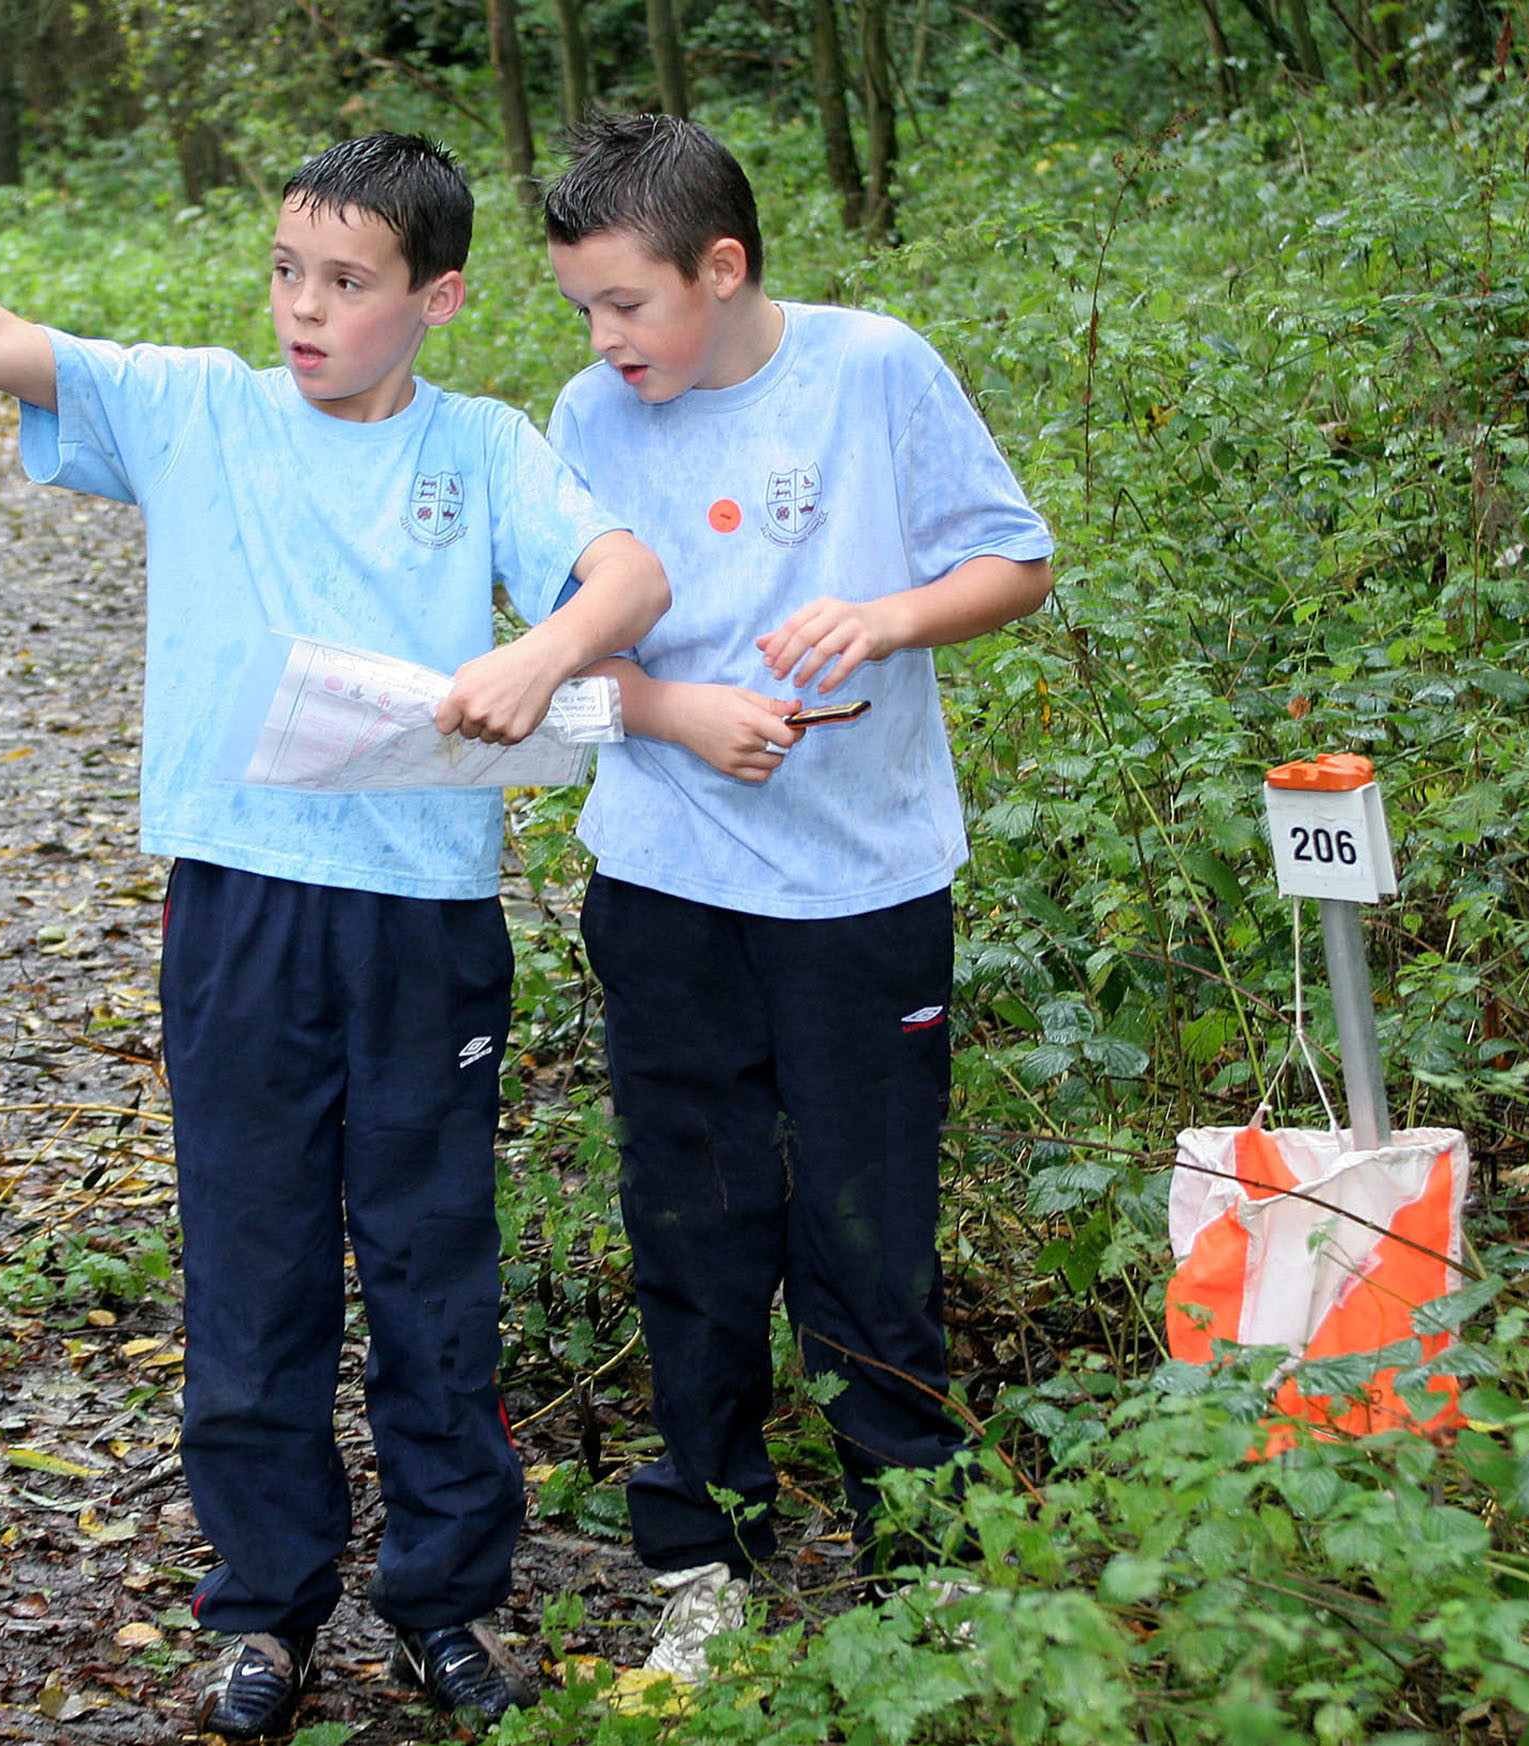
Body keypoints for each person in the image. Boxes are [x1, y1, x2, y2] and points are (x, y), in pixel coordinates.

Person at [0, 131, 670, 1739]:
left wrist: (549, 650)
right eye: (288, 272)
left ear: (438, 297)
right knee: (253, 1261)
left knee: (434, 1268)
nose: (307, 310)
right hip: (239, 907)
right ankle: (264, 1606)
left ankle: (445, 1599)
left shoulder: (488, 445)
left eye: (350, 283)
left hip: (424, 926)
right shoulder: (195, 409)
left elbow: (627, 570)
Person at [539, 114, 1055, 1679]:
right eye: (581, 310)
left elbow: (1017, 562)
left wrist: (890, 617)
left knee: (868, 1221)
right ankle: (704, 1548)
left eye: (628, 304)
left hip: (866, 884)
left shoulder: (875, 370)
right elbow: (567, 658)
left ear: (724, 265)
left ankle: (917, 1547)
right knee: (692, 1221)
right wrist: (674, 709)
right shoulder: (586, 415)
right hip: (668, 883)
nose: (604, 340)